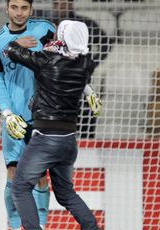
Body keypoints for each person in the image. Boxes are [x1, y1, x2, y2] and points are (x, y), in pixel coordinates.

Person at [6, 20, 112, 230]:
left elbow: (11, 52)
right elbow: (66, 50)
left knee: (20, 187)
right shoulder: (85, 64)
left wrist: (17, 41)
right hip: (68, 141)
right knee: (65, 194)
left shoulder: (46, 61)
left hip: (46, 138)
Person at [0, 0, 56, 230]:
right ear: (7, 9)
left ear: (31, 10)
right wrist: (6, 112)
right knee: (13, 173)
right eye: (14, 7)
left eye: (24, 8)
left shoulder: (45, 30)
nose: (19, 12)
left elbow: (64, 61)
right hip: (14, 117)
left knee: (41, 176)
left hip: (42, 115)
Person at [50, 0, 111, 138]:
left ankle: (86, 140)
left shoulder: (84, 23)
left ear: (71, 4)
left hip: (80, 77)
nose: (60, 7)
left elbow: (105, 43)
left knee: (85, 113)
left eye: (64, 4)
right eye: (57, 4)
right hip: (55, 80)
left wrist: (92, 64)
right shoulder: (47, 25)